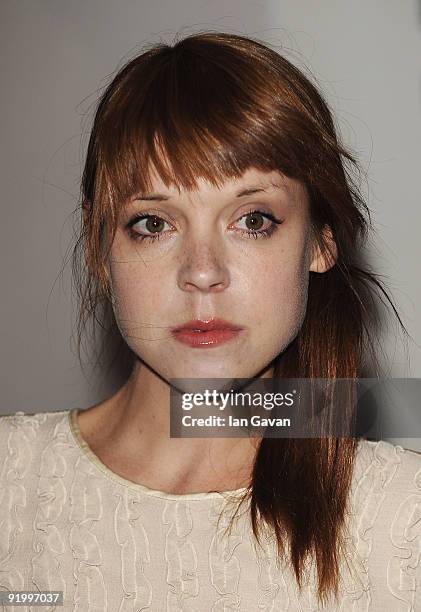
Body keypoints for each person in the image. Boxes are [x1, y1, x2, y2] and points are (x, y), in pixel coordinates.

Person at [1, 31, 420, 611]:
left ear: (321, 243)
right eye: (153, 223)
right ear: (100, 254)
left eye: (252, 220)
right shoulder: (9, 481)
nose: (202, 272)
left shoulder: (405, 524)